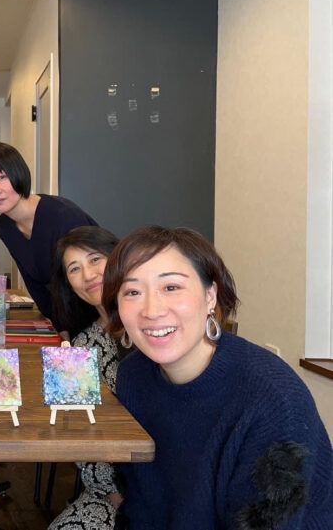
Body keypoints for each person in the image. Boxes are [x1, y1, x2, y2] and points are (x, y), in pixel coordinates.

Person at [100, 226, 333, 529]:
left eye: (171, 287)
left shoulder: (274, 401)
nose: (152, 310)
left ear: (210, 295)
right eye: (132, 292)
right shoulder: (133, 375)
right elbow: (142, 501)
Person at [48, 226, 129, 530]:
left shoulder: (154, 327)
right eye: (74, 268)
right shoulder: (80, 348)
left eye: (95, 259)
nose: (88, 275)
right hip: (113, 491)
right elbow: (82, 434)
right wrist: (113, 491)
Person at [0, 142, 97, 333]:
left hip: (101, 318)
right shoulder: (5, 226)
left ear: (19, 174)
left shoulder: (63, 216)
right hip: (66, 323)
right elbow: (34, 283)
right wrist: (58, 328)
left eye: (2, 177)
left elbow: (92, 282)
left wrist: (71, 333)